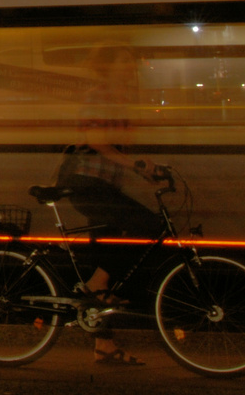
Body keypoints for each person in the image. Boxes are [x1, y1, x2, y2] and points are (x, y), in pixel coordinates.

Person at [57, 44, 160, 367]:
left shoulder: (119, 100)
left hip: (103, 187)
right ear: (109, 66)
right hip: (87, 185)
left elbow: (122, 148)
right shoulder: (97, 95)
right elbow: (97, 141)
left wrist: (149, 169)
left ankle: (104, 345)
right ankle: (94, 285)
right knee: (151, 226)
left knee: (109, 259)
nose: (132, 67)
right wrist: (136, 166)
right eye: (126, 62)